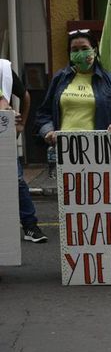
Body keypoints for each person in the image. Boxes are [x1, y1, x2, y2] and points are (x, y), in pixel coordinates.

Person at [36, 29, 111, 145]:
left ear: (95, 51)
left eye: (85, 48)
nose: (80, 53)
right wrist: (48, 131)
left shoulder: (109, 80)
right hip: (63, 147)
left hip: (98, 148)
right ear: (70, 54)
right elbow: (43, 113)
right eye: (75, 50)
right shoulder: (60, 78)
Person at [0, 61, 47, 242]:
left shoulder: (3, 69)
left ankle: (30, 226)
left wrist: (21, 123)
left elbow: (24, 96)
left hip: (3, 139)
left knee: (17, 181)